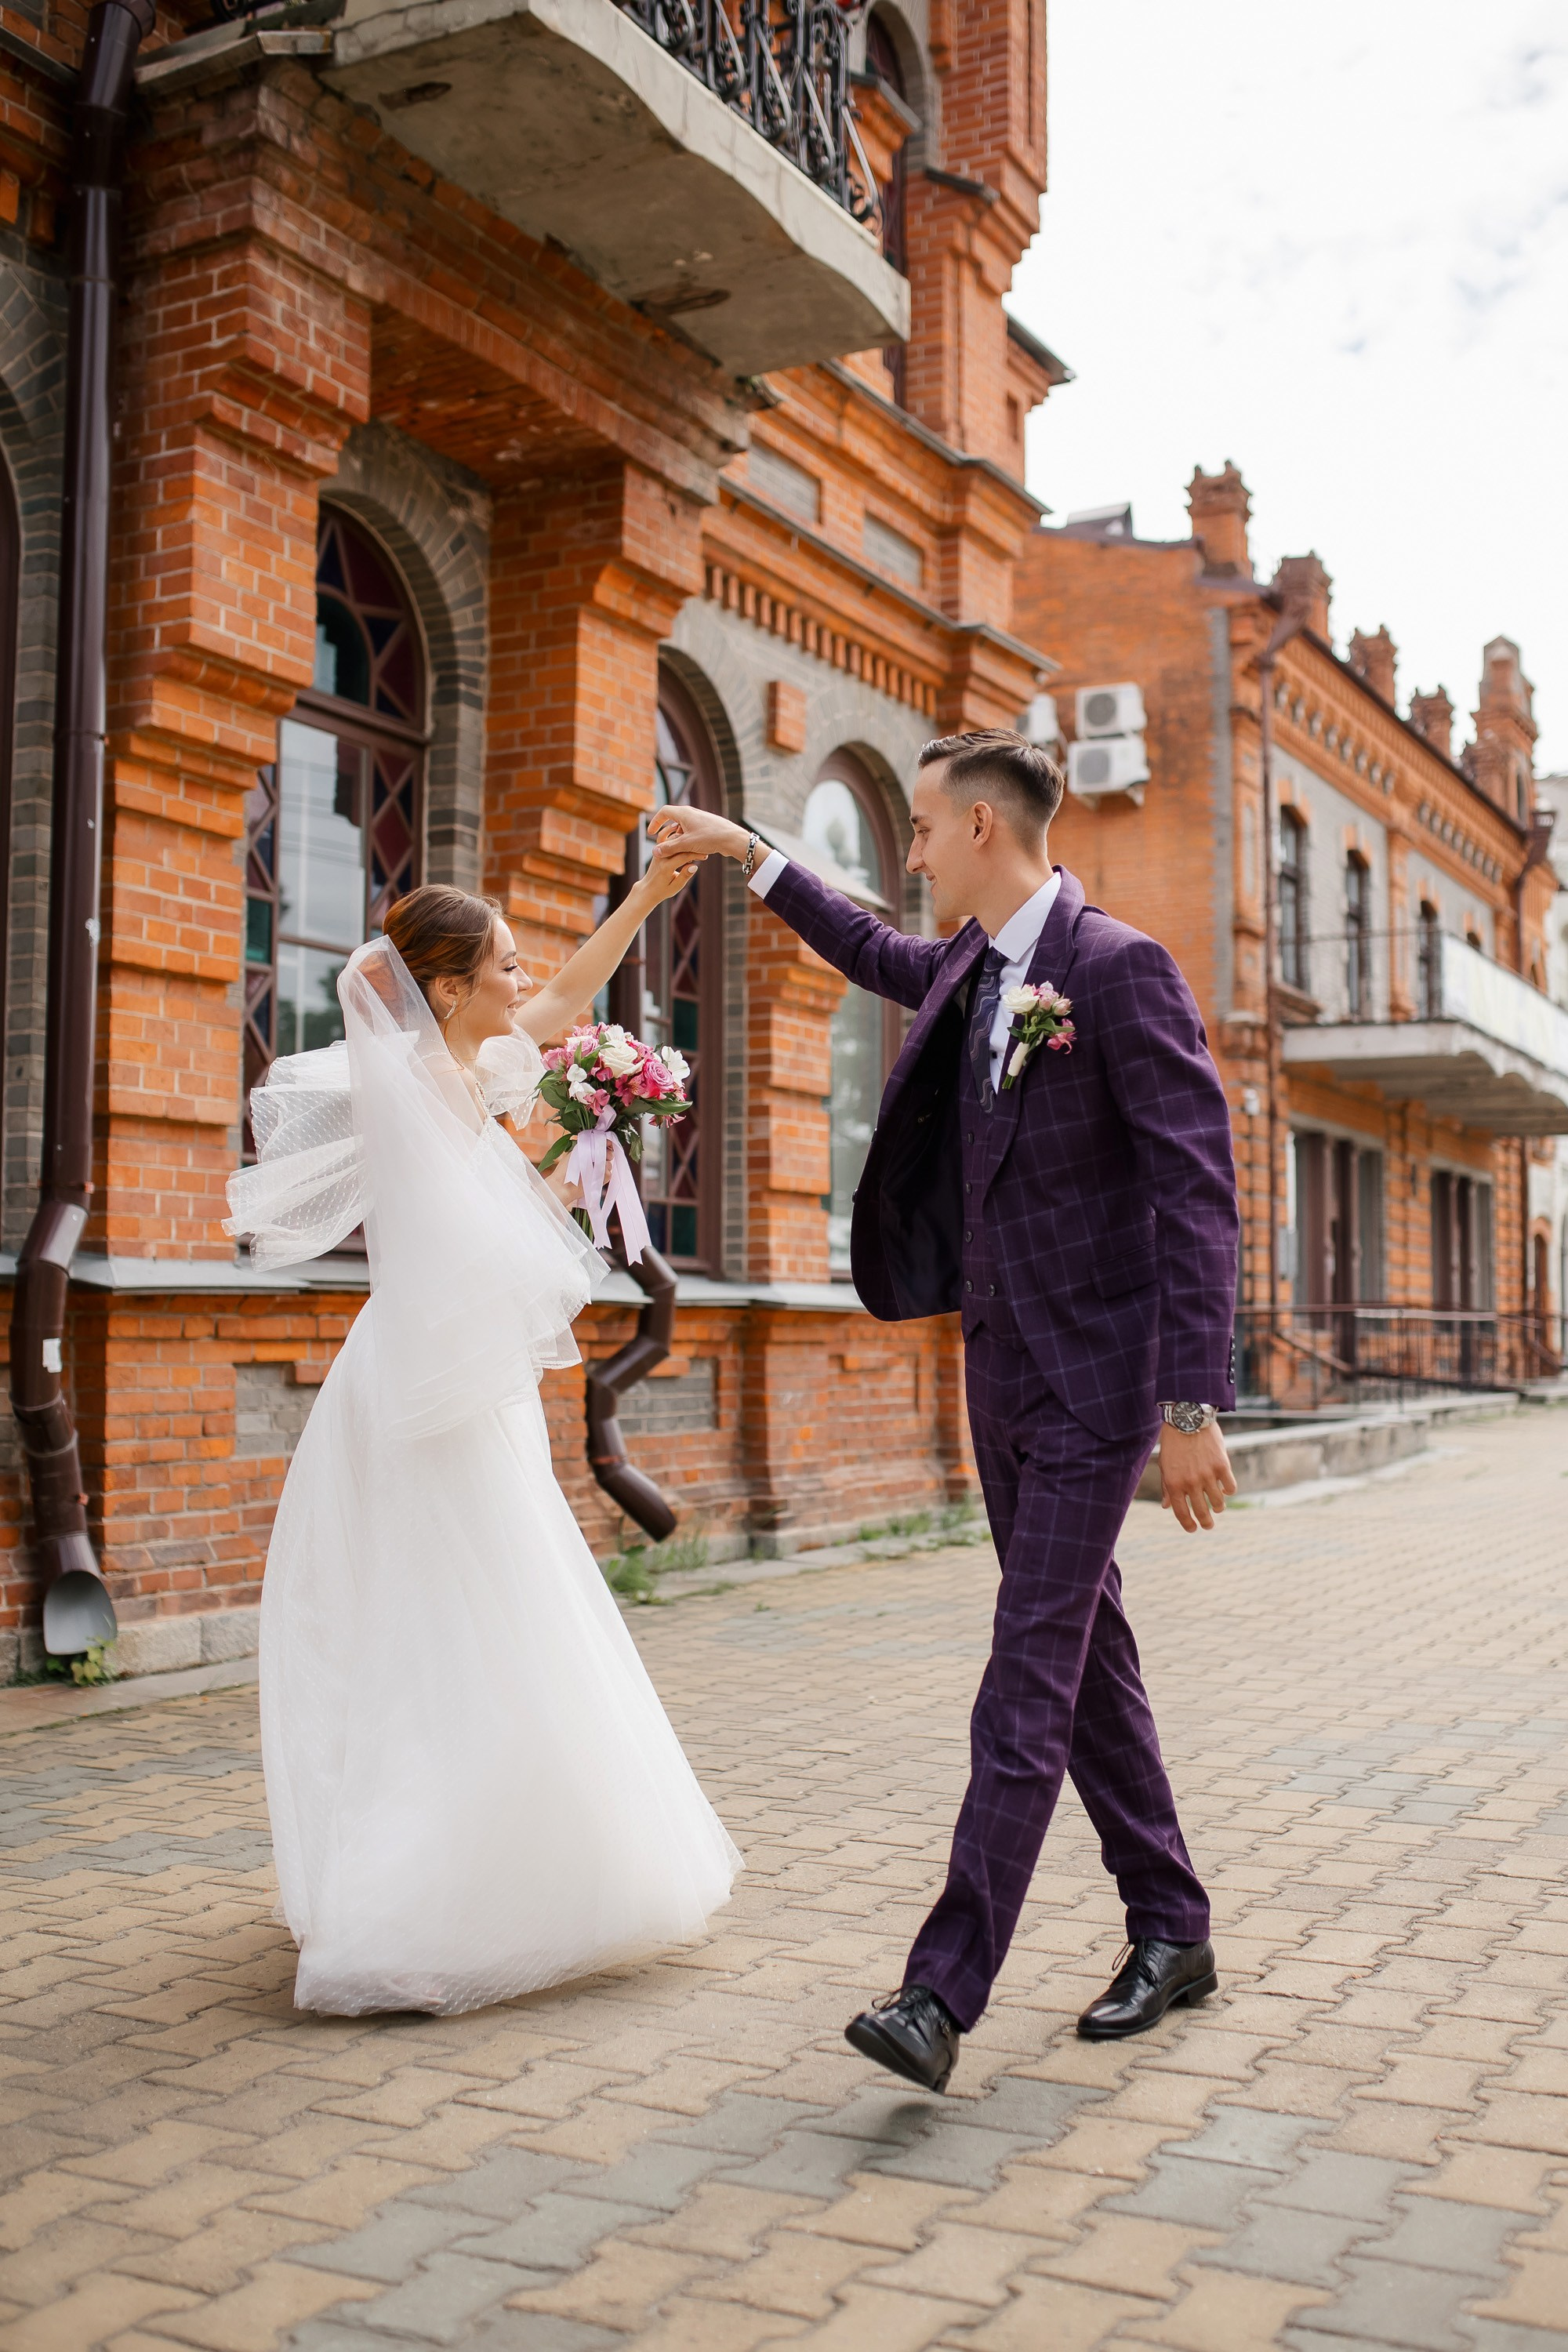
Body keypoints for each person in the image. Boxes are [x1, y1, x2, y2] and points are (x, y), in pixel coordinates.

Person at [650, 729, 1239, 2092]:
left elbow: (1198, 1199)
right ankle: (1174, 1925)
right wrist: (750, 856)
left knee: (1026, 1674)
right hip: (1001, 1377)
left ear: (981, 825)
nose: (906, 852)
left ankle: (941, 1992)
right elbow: (869, 949)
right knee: (1085, 1662)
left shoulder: (1117, 968)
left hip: (1097, 1387)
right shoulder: (976, 969)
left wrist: (1192, 1402)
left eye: (918, 827)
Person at [226, 871, 740, 2016]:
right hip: (435, 1396)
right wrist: (574, 1140)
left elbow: (556, 994)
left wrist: (651, 895)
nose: (522, 978)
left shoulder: (450, 1066)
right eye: (498, 963)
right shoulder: (428, 1091)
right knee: (452, 1627)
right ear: (448, 990)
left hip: (440, 1381)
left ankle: (455, 1864)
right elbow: (506, 1253)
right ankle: (422, 1903)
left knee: (466, 1622)